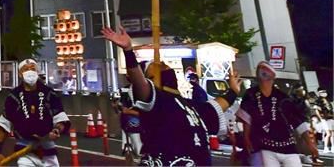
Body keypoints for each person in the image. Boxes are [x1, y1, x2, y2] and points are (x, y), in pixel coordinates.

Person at [102, 24, 241, 166]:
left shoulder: (191, 105)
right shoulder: (158, 101)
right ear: (153, 80)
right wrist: (128, 51)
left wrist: (233, 91)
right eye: (155, 66)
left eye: (162, 63)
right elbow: (140, 84)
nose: (162, 63)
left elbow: (219, 104)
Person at [237, 61, 319, 166]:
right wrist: (246, 138)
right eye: (260, 69)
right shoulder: (251, 94)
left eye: (266, 69)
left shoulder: (282, 97)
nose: (262, 71)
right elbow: (246, 118)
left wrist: (310, 144)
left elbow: (297, 121)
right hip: (264, 146)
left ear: (273, 76)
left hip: (287, 146)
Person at [0, 58, 69, 167]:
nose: (30, 71)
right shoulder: (13, 97)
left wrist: (57, 130)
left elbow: (61, 119)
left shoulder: (49, 93)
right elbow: (5, 126)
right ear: (20, 73)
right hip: (25, 151)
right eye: (25, 69)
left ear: (37, 72)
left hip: (48, 150)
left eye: (33, 68)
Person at [115, 91, 142, 164]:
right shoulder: (125, 96)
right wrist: (118, 106)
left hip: (136, 127)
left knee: (138, 149)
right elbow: (120, 110)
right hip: (127, 126)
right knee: (128, 150)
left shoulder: (141, 98)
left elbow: (143, 113)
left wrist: (128, 111)